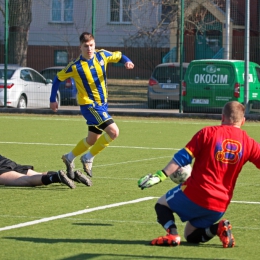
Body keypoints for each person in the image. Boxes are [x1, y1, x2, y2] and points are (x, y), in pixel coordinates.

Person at [138, 101, 260, 248]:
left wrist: (160, 175)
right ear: (243, 121)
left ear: (222, 117)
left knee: (161, 204)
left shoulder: (208, 132)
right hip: (220, 205)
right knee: (190, 235)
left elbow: (182, 157)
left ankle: (172, 235)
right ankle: (218, 228)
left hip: (196, 193)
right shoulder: (250, 143)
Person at [49, 32, 134, 180]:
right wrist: (52, 99)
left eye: (92, 45)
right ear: (80, 47)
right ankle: (88, 158)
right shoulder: (75, 66)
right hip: (89, 105)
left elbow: (119, 56)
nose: (89, 49)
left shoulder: (102, 55)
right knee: (114, 132)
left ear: (95, 44)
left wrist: (127, 61)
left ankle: (69, 157)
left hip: (102, 105)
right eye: (86, 46)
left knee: (92, 139)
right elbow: (57, 78)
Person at [0, 154, 92, 188]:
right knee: (37, 175)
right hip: (3, 160)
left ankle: (56, 177)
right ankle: (72, 176)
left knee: (25, 180)